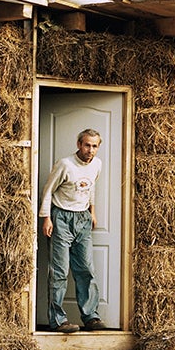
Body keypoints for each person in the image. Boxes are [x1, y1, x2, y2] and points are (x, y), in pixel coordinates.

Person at [39, 129, 107, 333]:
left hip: (83, 219)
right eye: (87, 145)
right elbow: (48, 191)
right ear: (79, 144)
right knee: (59, 271)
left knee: (86, 269)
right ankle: (58, 320)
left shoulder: (97, 164)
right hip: (61, 218)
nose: (90, 150)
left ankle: (91, 317)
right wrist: (46, 218)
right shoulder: (65, 164)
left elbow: (91, 187)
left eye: (94, 146)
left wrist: (92, 212)